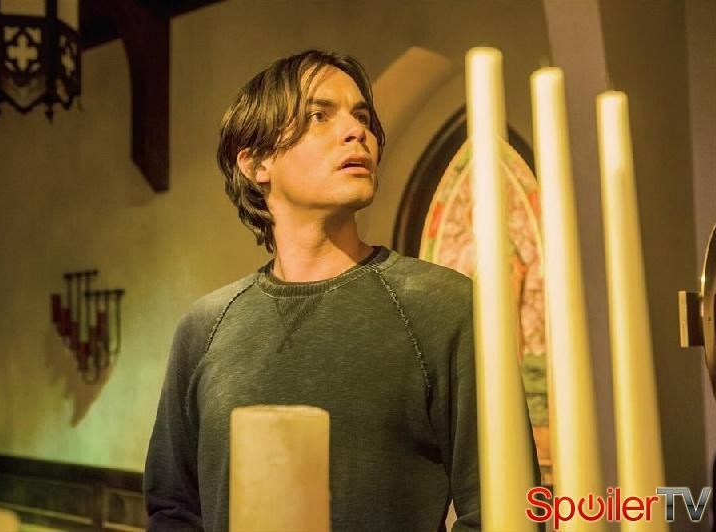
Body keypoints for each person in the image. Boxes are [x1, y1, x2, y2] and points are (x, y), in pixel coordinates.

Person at [144, 49, 482, 531]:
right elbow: (173, 509)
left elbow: (500, 508)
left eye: (362, 117)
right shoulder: (204, 328)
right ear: (256, 162)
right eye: (320, 116)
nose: (356, 131)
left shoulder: (440, 305)